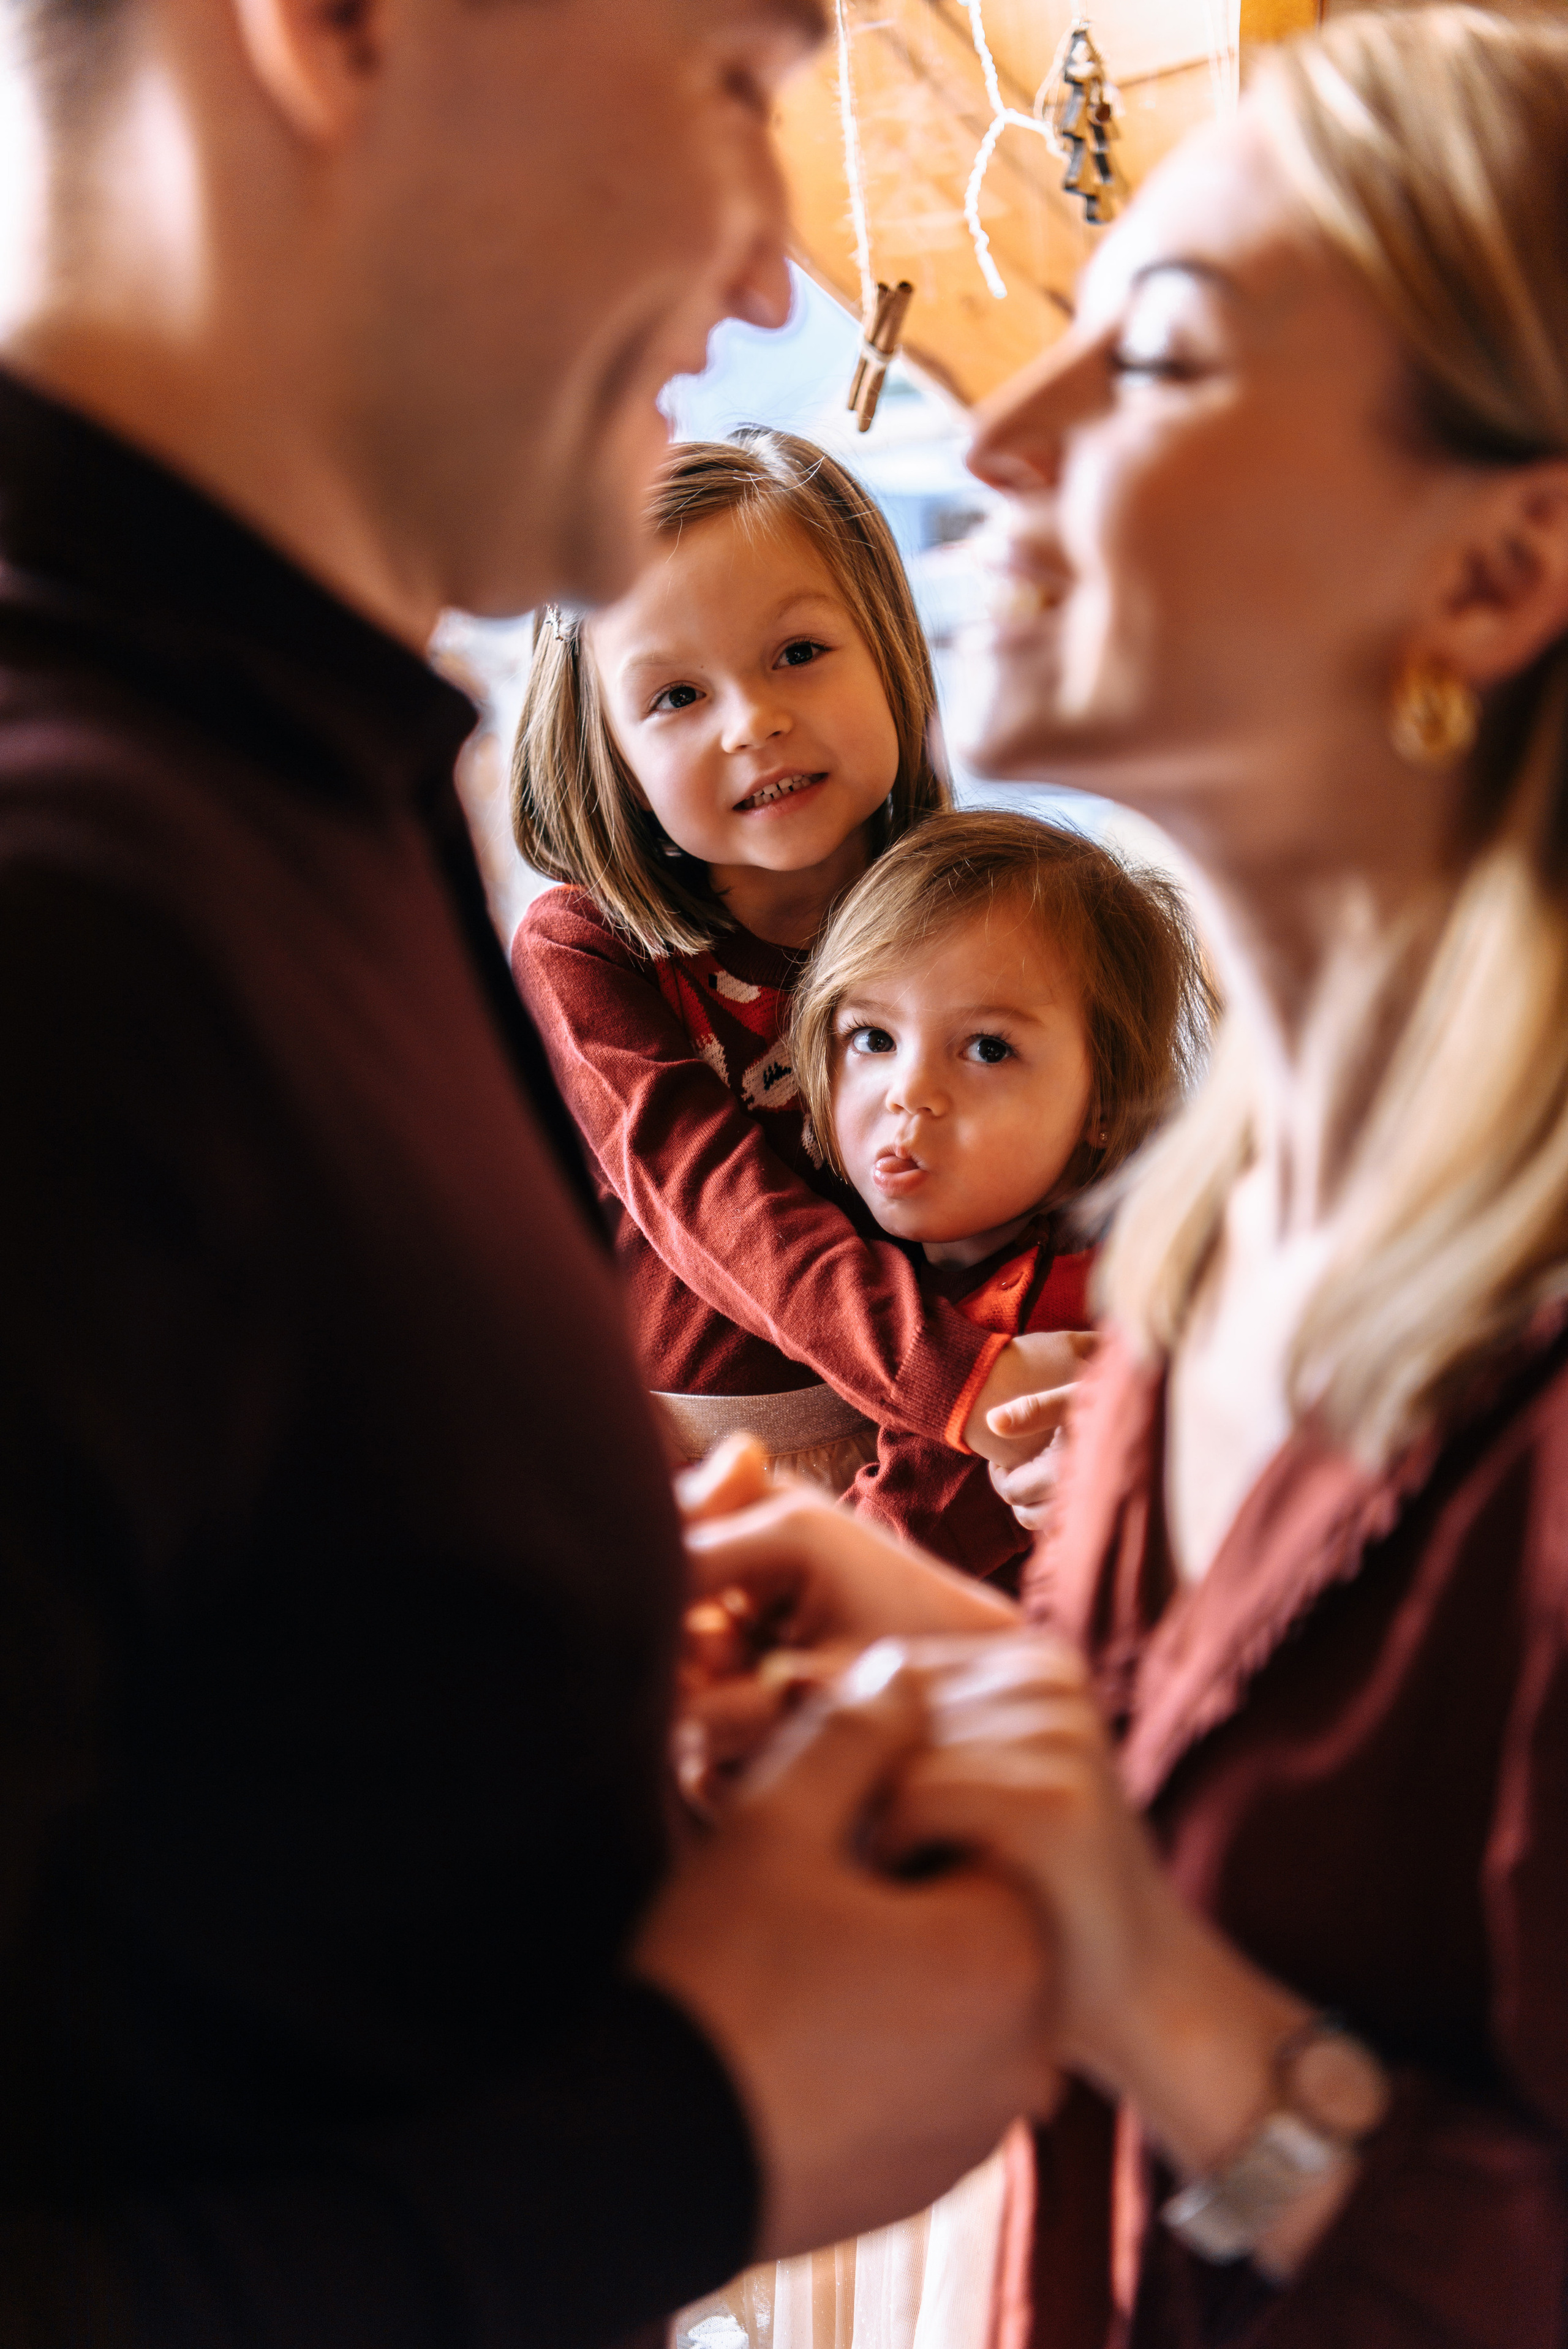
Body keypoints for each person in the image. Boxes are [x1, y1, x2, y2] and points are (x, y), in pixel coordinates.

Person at [0, 0, 1061, 2340]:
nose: (775, 281)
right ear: (335, 30)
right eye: (722, 87)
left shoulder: (313, 801)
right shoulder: (67, 916)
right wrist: (702, 2119)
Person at [678, 9, 1568, 2344]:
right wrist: (934, 1652)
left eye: (1149, 354)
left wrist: (1142, 1980)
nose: (1003, 433)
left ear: (1490, 570)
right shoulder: (1194, 1241)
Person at [513, 432, 1080, 1496]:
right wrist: (965, 1383)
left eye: (799, 654)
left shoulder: (989, 909)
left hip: (963, 1442)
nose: (757, 723)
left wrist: (1055, 1393)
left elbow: (1070, 1157)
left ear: (890, 650)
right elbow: (719, 1208)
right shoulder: (582, 950)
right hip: (691, 1466)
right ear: (607, 756)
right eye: (678, 697)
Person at [790, 807, 1210, 1588]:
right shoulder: (899, 1241)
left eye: (988, 1048)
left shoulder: (1044, 1321)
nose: (908, 1093)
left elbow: (878, 1557)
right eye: (873, 1038)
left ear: (1104, 1102)